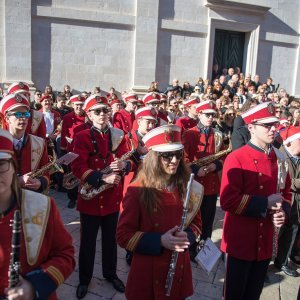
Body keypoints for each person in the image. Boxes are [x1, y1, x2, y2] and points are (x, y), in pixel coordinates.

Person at [117, 124, 203, 299]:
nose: (174, 160)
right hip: (148, 270)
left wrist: (188, 237)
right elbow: (123, 235)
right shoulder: (137, 190)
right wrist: (160, 241)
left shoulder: (188, 186)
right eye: (167, 155)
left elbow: (197, 224)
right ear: (154, 158)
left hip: (178, 266)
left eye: (178, 154)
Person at [220, 102, 291, 300]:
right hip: (240, 239)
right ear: (251, 127)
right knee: (234, 294)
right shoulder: (236, 158)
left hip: (265, 239)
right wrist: (265, 203)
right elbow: (227, 200)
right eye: (266, 125)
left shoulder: (279, 158)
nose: (273, 129)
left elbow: (286, 192)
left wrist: (282, 212)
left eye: (274, 125)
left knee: (253, 294)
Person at [0, 129, 75, 299]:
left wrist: (34, 286)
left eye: (1, 165)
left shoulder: (43, 206)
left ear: (13, 167)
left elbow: (65, 254)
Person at [72, 95, 133, 298]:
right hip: (90, 197)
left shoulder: (118, 134)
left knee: (110, 240)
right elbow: (77, 166)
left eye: (105, 110)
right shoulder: (81, 136)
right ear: (89, 114)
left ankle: (110, 274)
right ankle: (84, 280)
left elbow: (129, 160)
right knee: (88, 243)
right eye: (97, 111)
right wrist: (102, 178)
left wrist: (124, 165)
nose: (102, 114)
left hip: (111, 198)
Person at [182, 100, 224, 258]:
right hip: (195, 183)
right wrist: (196, 169)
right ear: (199, 114)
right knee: (193, 219)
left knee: (208, 220)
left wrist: (216, 166)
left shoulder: (218, 134)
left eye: (213, 115)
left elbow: (224, 156)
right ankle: (191, 250)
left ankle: (205, 250)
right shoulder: (190, 133)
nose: (211, 118)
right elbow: (183, 158)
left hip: (211, 185)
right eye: (207, 115)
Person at [0, 94, 49, 193]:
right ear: (7, 118)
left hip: (31, 199)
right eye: (18, 114)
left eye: (26, 114)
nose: (23, 118)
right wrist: (18, 181)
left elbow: (46, 172)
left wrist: (40, 182)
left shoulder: (39, 142)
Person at [274, 127, 300, 277]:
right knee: (276, 234)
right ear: (290, 142)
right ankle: (264, 264)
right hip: (282, 203)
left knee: (292, 231)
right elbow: (282, 182)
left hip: (296, 204)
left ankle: (282, 261)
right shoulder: (280, 155)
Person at [60, 94, 86, 208]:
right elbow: (64, 133)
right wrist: (62, 148)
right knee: (71, 174)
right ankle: (72, 198)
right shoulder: (67, 117)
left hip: (85, 151)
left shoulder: (88, 117)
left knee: (84, 174)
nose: (79, 107)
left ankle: (84, 196)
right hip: (72, 150)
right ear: (72, 105)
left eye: (81, 105)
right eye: (77, 105)